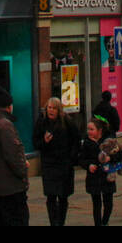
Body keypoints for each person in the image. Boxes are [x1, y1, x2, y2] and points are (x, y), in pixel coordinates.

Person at [0, 87, 29, 226]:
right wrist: (23, 170)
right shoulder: (4, 125)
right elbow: (13, 155)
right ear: (9, 107)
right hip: (10, 187)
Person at [32, 96, 80, 226]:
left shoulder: (67, 122)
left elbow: (76, 140)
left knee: (63, 196)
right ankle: (54, 223)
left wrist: (71, 159)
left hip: (64, 164)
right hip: (49, 164)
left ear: (59, 110)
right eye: (49, 108)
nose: (51, 111)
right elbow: (36, 142)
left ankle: (61, 222)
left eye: (54, 108)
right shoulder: (42, 122)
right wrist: (45, 141)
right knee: (51, 196)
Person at [79, 117, 122, 226]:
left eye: (92, 129)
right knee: (96, 203)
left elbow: (121, 153)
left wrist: (111, 159)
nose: (89, 132)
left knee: (108, 202)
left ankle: (105, 221)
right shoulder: (86, 143)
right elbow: (81, 159)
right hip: (93, 177)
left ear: (99, 131)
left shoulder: (108, 141)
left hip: (107, 176)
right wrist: (88, 165)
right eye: (88, 129)